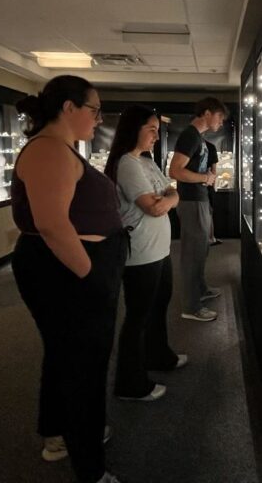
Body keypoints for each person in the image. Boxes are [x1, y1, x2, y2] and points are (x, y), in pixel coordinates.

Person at [10, 76, 125, 483]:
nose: (98, 118)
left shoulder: (58, 149)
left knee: (65, 356)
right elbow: (53, 225)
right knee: (84, 366)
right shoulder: (48, 150)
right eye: (94, 110)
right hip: (67, 270)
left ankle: (62, 434)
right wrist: (91, 276)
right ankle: (89, 464)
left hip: (69, 267)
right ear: (69, 108)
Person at [104, 106, 186, 402]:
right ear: (133, 130)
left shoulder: (146, 162)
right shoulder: (127, 163)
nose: (156, 135)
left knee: (159, 305)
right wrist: (165, 200)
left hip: (159, 250)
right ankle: (130, 383)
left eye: (157, 130)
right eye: (150, 129)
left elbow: (171, 193)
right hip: (140, 253)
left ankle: (158, 356)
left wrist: (168, 199)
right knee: (138, 316)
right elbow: (153, 206)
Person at [168, 97, 229, 322]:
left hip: (199, 200)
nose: (220, 122)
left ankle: (200, 290)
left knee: (201, 249)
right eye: (219, 116)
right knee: (192, 254)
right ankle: (190, 306)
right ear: (206, 113)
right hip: (191, 201)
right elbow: (175, 171)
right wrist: (205, 177)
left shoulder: (198, 138)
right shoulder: (189, 136)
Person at [205, 140, 221, 246]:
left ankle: (208, 238)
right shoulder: (210, 146)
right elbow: (214, 170)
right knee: (209, 212)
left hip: (193, 187)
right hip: (207, 184)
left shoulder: (189, 144)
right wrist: (213, 185)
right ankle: (210, 238)